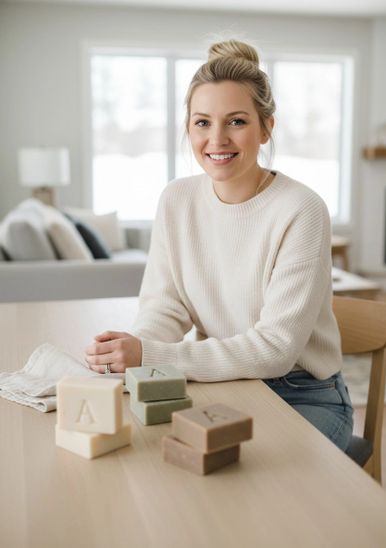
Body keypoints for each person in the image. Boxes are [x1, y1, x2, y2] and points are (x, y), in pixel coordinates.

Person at [85, 39, 353, 451]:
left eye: (237, 121)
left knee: (251, 482)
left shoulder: (302, 210)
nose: (217, 139)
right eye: (202, 122)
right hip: (223, 384)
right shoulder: (177, 200)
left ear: (267, 127)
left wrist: (153, 356)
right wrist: (133, 360)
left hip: (302, 394)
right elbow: (165, 306)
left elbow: (276, 349)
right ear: (189, 128)